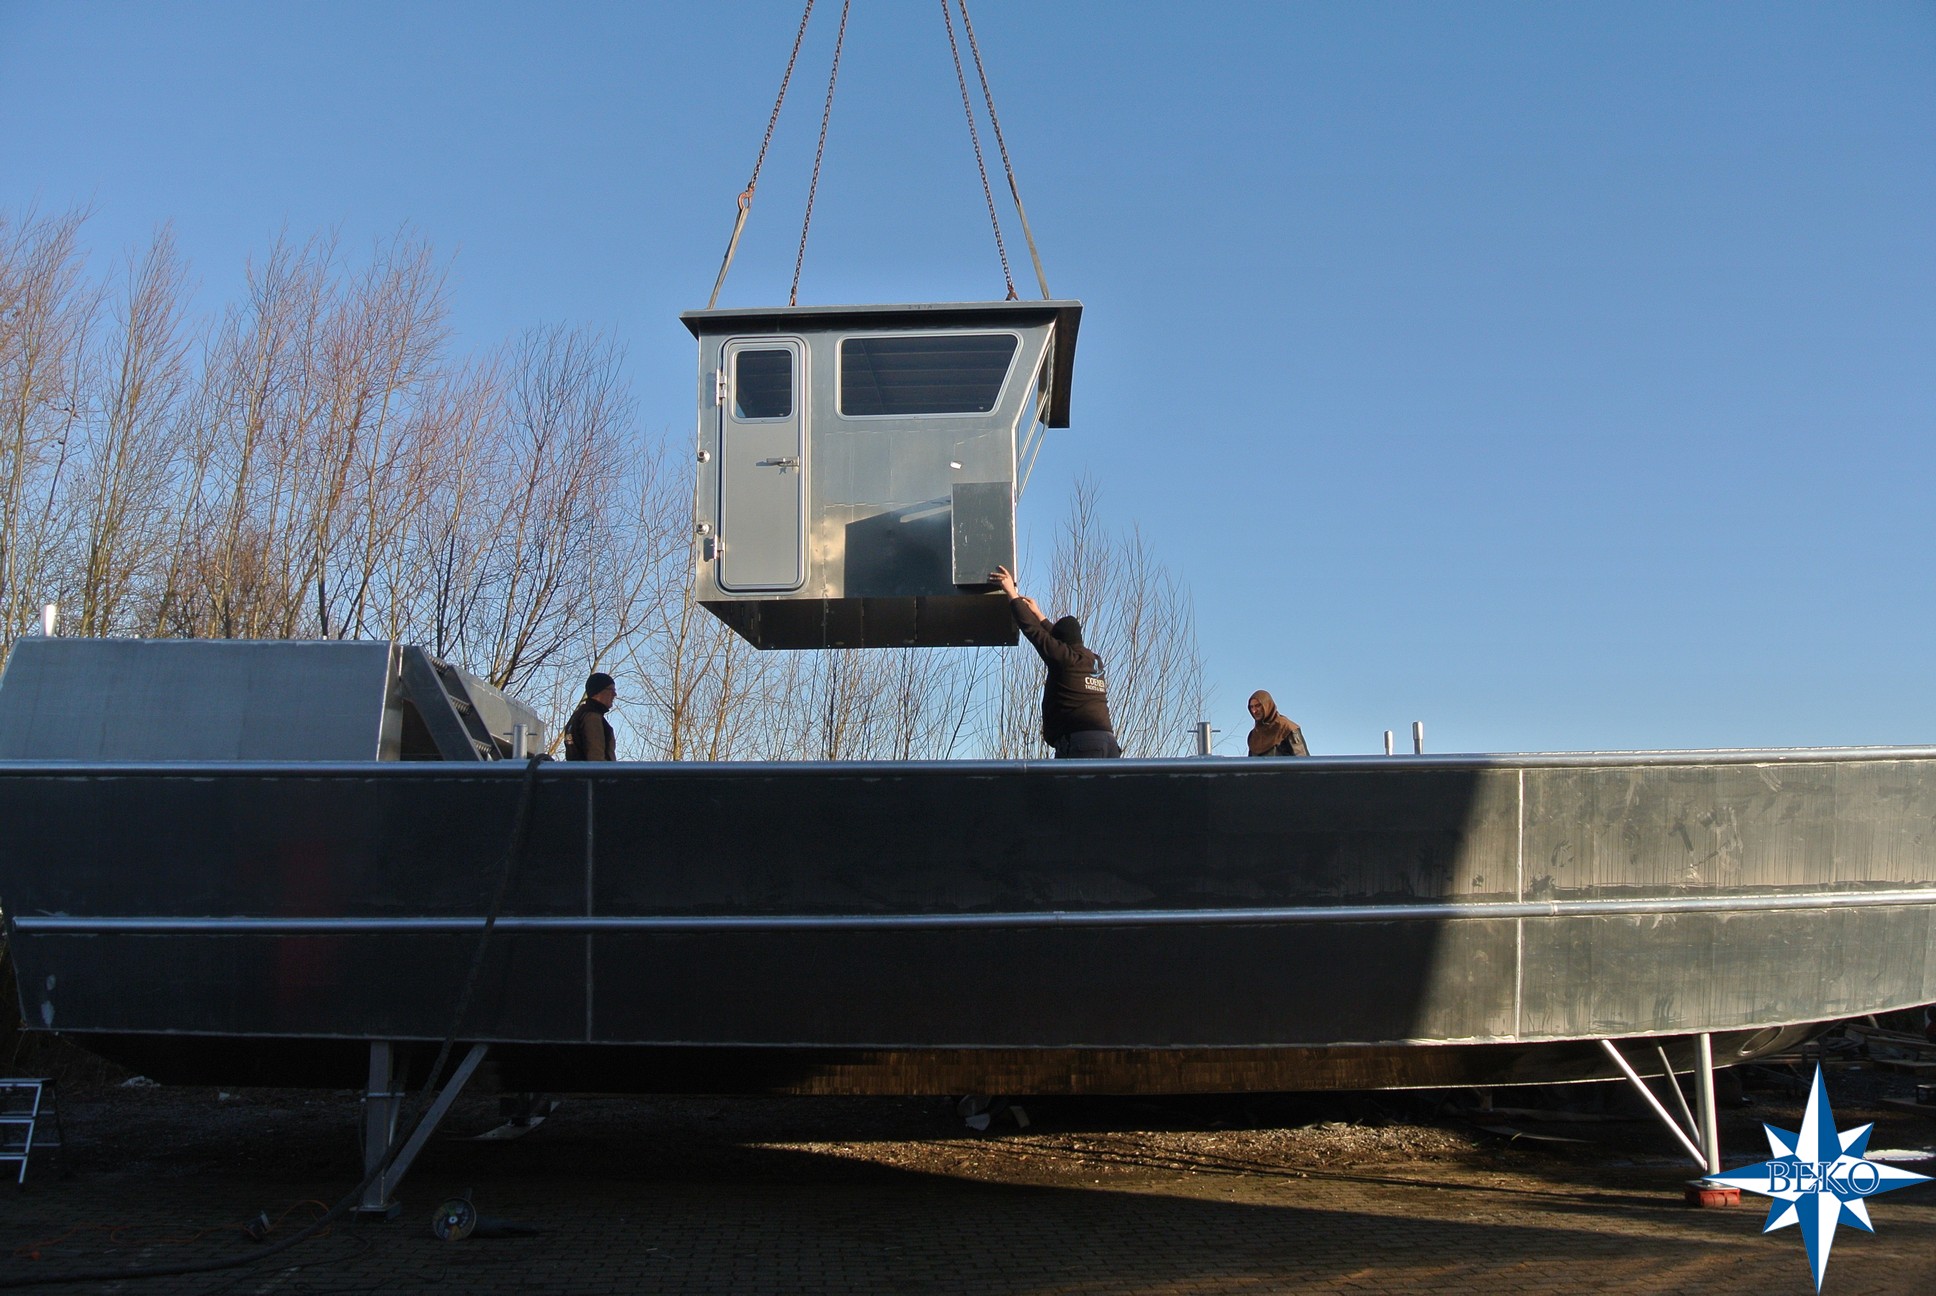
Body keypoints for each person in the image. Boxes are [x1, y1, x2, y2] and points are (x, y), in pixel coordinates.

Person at [990, 565, 1121, 759]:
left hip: (1081, 743)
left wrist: (1011, 593)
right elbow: (1057, 639)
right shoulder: (1094, 661)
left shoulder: (1064, 659)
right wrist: (1039, 615)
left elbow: (1033, 631)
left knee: (1070, 781)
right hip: (1109, 744)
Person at [564, 671, 618, 762]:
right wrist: (606, 770)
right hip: (592, 771)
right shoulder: (592, 717)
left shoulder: (578, 715)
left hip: (576, 771)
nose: (615, 694)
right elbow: (596, 759)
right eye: (611, 690)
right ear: (599, 691)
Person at [1246, 690, 1308, 757]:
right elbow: (1251, 761)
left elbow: (1302, 759)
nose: (1254, 711)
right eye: (1251, 707)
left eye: (1258, 706)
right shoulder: (1253, 735)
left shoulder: (1287, 728)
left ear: (1267, 705)